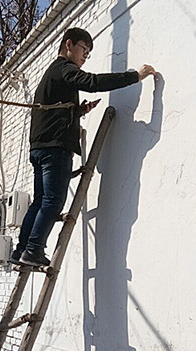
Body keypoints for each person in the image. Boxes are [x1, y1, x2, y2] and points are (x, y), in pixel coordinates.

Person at [11, 27, 157, 267]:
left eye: (88, 53)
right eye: (83, 50)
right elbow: (92, 82)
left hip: (39, 148)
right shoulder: (64, 69)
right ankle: (34, 249)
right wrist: (134, 76)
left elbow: (52, 111)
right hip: (55, 149)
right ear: (68, 45)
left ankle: (20, 251)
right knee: (53, 202)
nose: (85, 56)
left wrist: (78, 111)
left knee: (39, 202)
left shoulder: (52, 74)